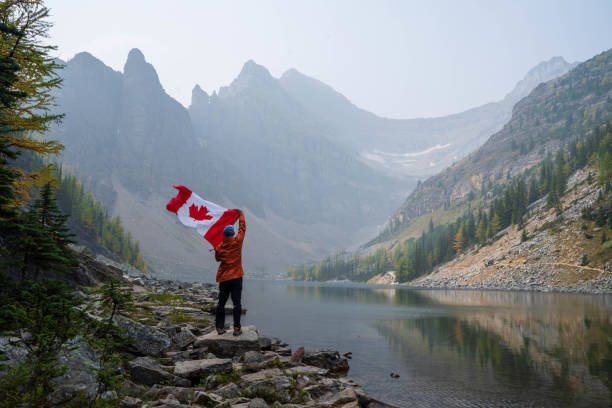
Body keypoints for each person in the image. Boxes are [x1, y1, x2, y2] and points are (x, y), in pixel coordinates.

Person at [214, 209, 246, 336]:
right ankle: (237, 328)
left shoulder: (219, 248)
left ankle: (219, 328)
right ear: (232, 234)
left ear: (224, 235)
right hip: (236, 277)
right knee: (237, 303)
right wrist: (241, 215)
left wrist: (218, 250)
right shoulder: (237, 242)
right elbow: (242, 229)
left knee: (221, 303)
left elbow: (217, 259)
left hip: (224, 278)